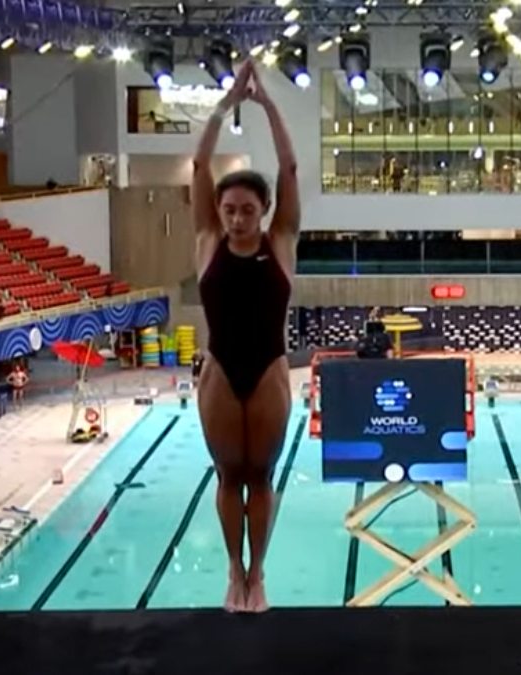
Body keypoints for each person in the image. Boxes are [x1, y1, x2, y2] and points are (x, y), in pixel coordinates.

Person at [193, 60, 300, 613]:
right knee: (226, 474)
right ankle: (233, 570)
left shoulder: (279, 242)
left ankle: (258, 574)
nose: (237, 219)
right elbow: (198, 162)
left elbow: (289, 166)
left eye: (247, 210)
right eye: (230, 209)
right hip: (219, 369)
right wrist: (224, 103)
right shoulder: (208, 237)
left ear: (264, 212)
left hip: (267, 371)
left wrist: (267, 107)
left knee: (261, 476)